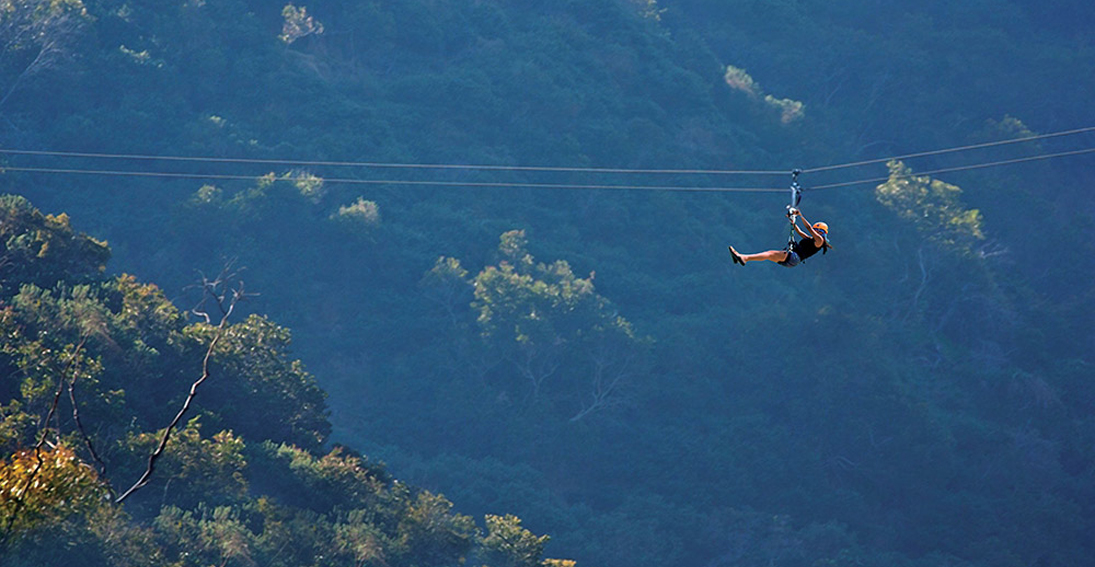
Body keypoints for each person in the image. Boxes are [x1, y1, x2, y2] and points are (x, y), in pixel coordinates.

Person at [728, 208, 830, 267]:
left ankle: (744, 258)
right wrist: (792, 221)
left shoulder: (819, 241)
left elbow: (808, 228)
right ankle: (744, 257)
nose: (815, 232)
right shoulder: (810, 239)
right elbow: (799, 231)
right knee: (768, 254)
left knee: (769, 253)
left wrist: (801, 215)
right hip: (793, 259)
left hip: (794, 257)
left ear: (822, 233)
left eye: (817, 231)